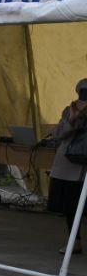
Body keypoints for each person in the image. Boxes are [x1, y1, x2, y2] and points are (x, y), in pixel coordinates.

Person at [49, 78, 87, 254]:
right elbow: (58, 134)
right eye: (82, 90)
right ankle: (75, 241)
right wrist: (72, 118)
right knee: (70, 206)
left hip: (83, 166)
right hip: (68, 164)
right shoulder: (69, 109)